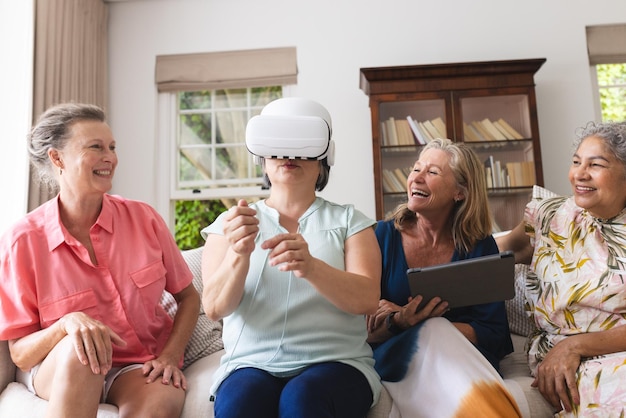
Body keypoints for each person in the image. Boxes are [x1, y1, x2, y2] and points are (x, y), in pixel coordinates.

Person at [0, 103, 200, 418]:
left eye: (112, 147)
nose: (110, 157)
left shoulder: (144, 219)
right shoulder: (22, 241)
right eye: (96, 147)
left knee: (161, 401)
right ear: (57, 158)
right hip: (60, 366)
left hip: (135, 364)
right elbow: (21, 354)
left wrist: (169, 356)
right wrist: (65, 326)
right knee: (82, 348)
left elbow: (188, 297)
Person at [201, 97, 383, 418]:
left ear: (324, 155)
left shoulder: (350, 222)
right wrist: (240, 254)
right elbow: (214, 308)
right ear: (262, 156)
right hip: (250, 364)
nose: (288, 155)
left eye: (301, 145)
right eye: (278, 145)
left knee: (302, 399)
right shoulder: (231, 224)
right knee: (240, 404)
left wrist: (311, 267)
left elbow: (367, 300)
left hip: (337, 362)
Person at [367, 138, 521, 417]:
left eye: (432, 172)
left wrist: (426, 322)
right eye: (416, 169)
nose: (417, 178)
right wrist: (402, 321)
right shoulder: (381, 237)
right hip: (397, 356)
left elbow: (494, 334)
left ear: (459, 192)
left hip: (461, 358)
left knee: (435, 329)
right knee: (434, 330)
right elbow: (365, 329)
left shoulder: (479, 245)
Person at [496, 121, 626, 417]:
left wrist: (578, 345)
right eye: (577, 162)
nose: (579, 174)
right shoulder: (552, 215)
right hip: (561, 354)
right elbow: (502, 250)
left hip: (595, 348)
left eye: (596, 165)